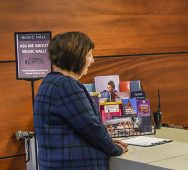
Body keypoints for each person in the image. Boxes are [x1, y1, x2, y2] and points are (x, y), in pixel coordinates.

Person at [34, 32, 128, 170]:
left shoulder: (49, 82)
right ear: (75, 56)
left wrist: (107, 141)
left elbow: (77, 129)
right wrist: (115, 148)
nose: (92, 60)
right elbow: (91, 127)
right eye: (89, 55)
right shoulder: (66, 85)